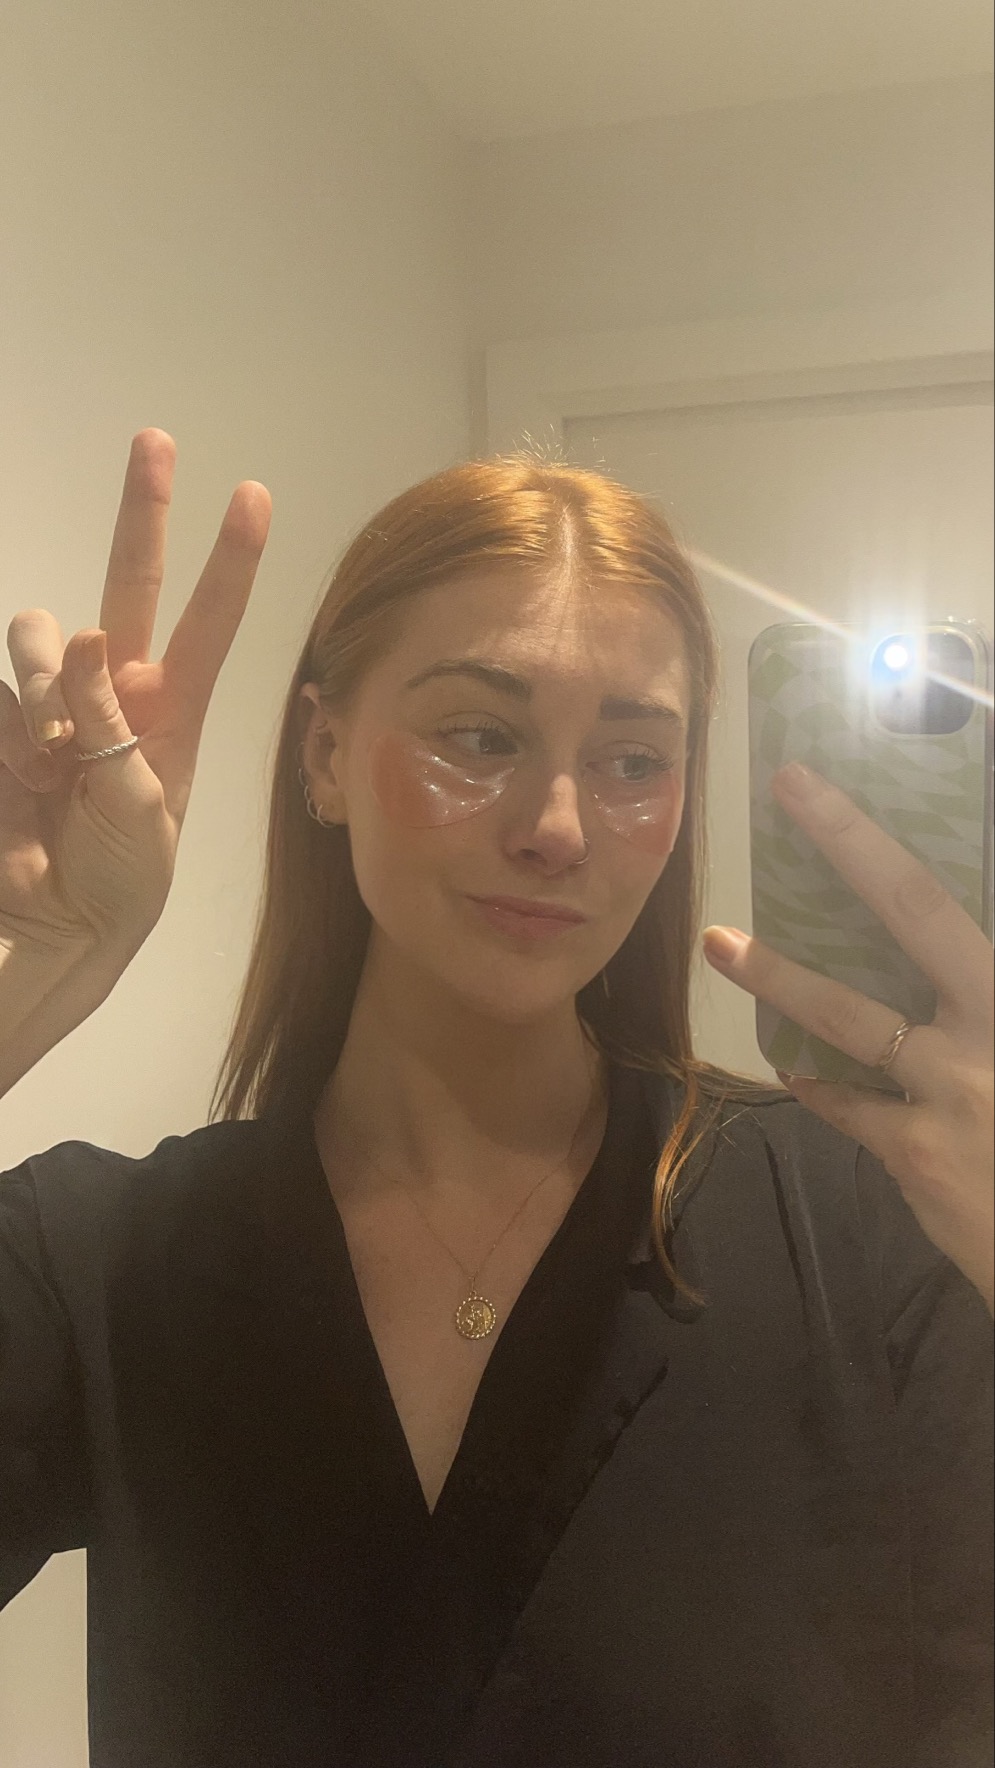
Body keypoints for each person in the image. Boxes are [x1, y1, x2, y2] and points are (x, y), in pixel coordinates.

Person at [0, 429, 991, 1768]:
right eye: (480, 734)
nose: (559, 829)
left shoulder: (872, 1233)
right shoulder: (103, 1264)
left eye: (634, 760)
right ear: (325, 755)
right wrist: (36, 968)